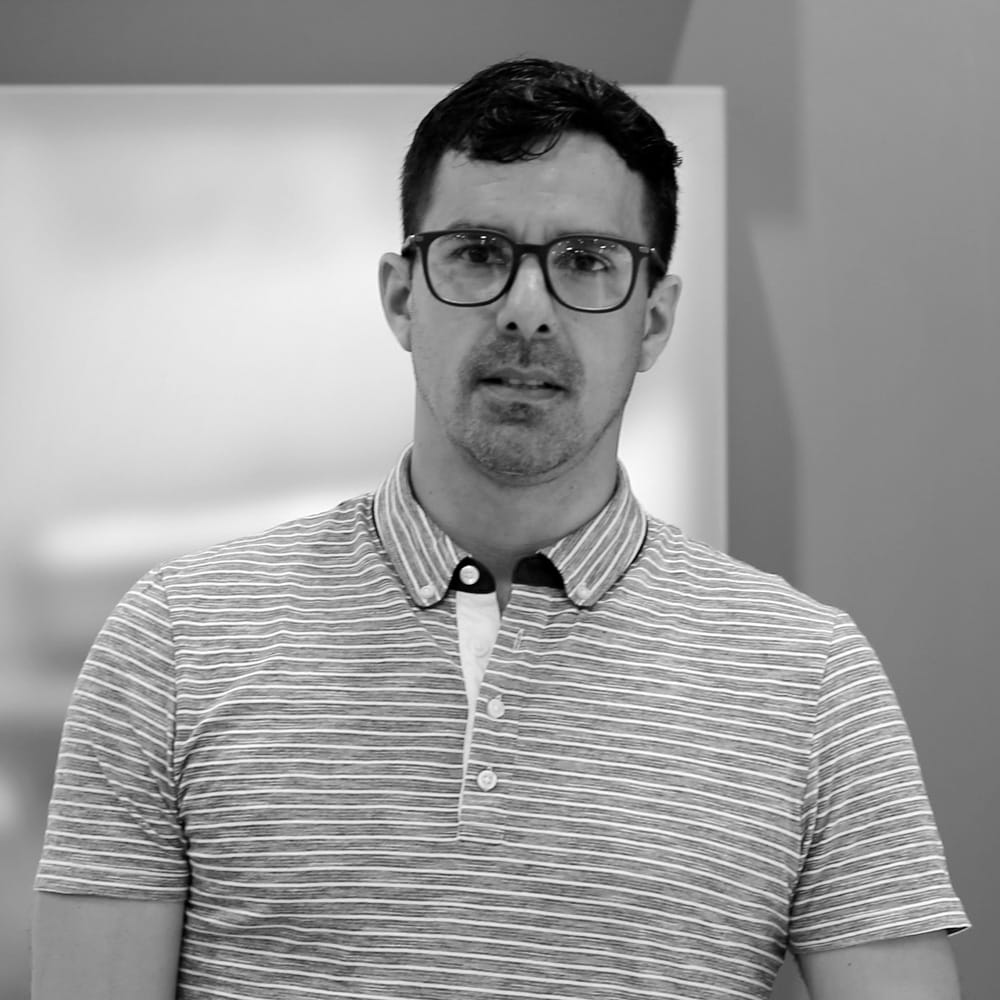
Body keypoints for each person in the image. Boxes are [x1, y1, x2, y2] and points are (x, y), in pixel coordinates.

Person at [33, 57, 968, 1000]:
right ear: (403, 296)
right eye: (479, 251)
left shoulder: (808, 675)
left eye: (586, 262)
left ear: (653, 321)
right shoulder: (176, 637)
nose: (528, 310)